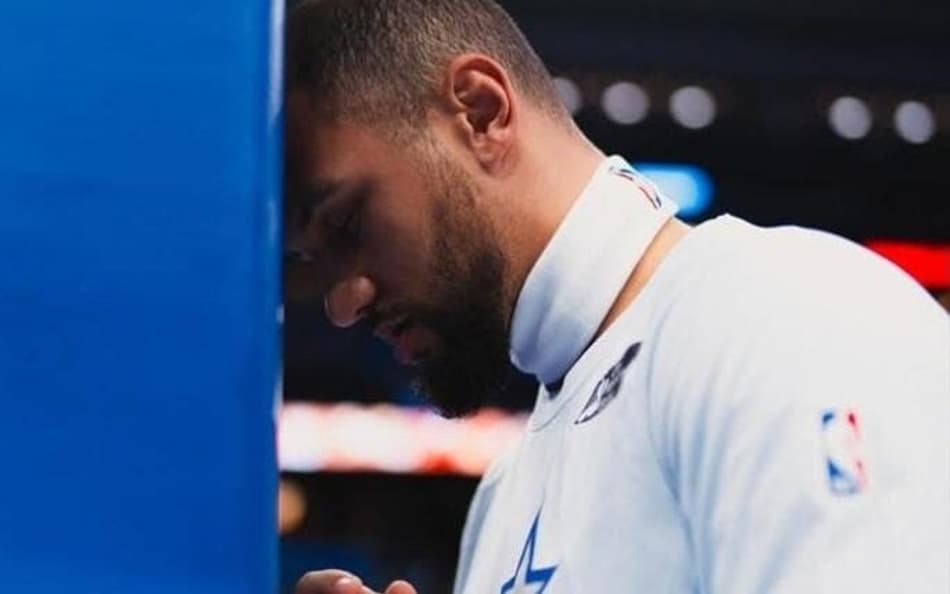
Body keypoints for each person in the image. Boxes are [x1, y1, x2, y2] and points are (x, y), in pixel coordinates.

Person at [283, 1, 950, 593]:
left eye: (348, 222)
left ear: (480, 112)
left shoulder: (791, 316)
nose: (343, 302)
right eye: (317, 256)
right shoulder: (507, 489)